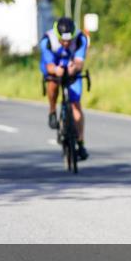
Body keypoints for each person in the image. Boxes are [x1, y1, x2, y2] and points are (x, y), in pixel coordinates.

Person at [39, 17, 89, 161]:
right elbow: (48, 65)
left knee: (76, 105)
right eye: (63, 40)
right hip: (54, 67)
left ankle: (80, 142)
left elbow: (80, 62)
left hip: (71, 69)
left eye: (69, 40)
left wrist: (74, 69)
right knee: (53, 84)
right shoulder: (47, 41)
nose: (66, 43)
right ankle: (52, 110)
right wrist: (55, 70)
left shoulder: (80, 39)